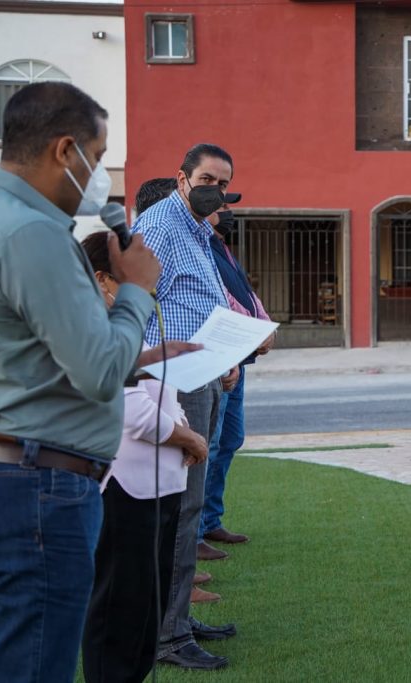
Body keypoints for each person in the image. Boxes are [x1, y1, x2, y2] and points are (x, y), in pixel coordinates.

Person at [0, 82, 181, 682]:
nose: (100, 175)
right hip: (38, 487)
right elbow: (98, 372)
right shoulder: (32, 234)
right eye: (97, 158)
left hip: (12, 475)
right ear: (64, 150)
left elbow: (47, 359)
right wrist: (137, 290)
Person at [79, 232, 211, 683]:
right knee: (119, 608)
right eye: (134, 269)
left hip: (161, 484)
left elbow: (161, 393)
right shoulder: (95, 329)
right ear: (103, 279)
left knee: (145, 611)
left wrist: (182, 428)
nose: (149, 278)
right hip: (124, 487)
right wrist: (190, 439)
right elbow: (131, 411)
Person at [132, 143, 242, 671]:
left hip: (203, 375)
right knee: (179, 507)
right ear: (182, 178)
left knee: (188, 506)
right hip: (175, 381)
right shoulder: (160, 225)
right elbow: (134, 305)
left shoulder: (196, 228)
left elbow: (197, 300)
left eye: (223, 184)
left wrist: (227, 355)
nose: (215, 191)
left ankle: (177, 618)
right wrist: (152, 370)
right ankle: (168, 635)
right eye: (206, 180)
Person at [201, 199, 275, 549]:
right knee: (210, 443)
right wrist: (255, 330)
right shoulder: (201, 248)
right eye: (221, 207)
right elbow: (219, 299)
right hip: (219, 358)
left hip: (237, 359)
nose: (227, 213)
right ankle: (194, 531)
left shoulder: (223, 249)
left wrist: (265, 325)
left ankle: (209, 520)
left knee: (230, 439)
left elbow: (245, 292)